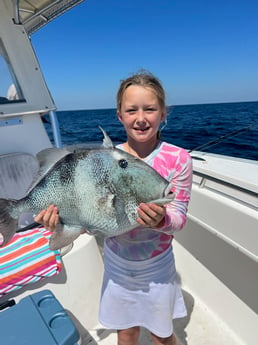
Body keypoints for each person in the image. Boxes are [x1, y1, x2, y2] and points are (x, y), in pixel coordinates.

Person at [35, 71, 193, 345]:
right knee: (126, 331)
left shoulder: (178, 159)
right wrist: (60, 223)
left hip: (158, 266)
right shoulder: (106, 159)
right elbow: (91, 215)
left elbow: (178, 217)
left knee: (162, 333)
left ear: (164, 113)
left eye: (150, 109)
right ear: (120, 115)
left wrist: (161, 221)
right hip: (117, 264)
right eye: (131, 110)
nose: (141, 117)